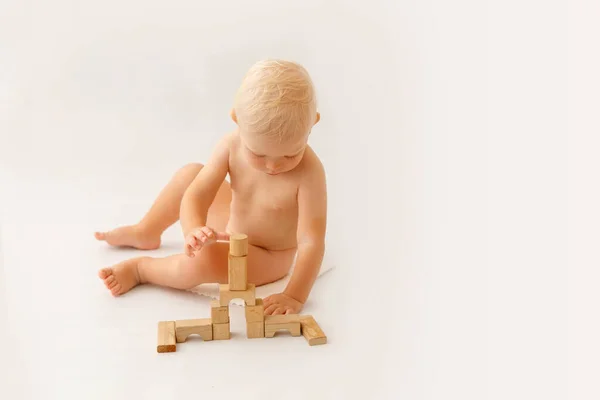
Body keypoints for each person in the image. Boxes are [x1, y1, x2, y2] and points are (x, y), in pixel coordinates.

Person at [95, 59, 327, 315]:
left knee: (203, 261)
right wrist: (193, 228)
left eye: (290, 155)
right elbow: (198, 193)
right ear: (236, 120)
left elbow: (310, 241)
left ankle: (142, 270)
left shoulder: (309, 173)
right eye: (258, 154)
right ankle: (146, 231)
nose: (272, 166)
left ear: (312, 125)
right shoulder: (231, 146)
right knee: (191, 174)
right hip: (232, 226)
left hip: (268, 255)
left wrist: (293, 296)